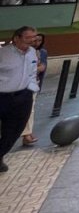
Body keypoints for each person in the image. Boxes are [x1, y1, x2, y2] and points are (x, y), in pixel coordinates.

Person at [0, 26, 40, 172]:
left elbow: (32, 72)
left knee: (13, 132)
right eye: (28, 37)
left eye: (34, 37)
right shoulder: (3, 53)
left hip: (22, 97)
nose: (32, 40)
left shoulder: (32, 53)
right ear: (16, 38)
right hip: (2, 96)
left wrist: (31, 88)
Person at [20, 33, 47, 147]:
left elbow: (42, 67)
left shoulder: (41, 52)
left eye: (39, 40)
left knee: (30, 110)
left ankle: (27, 134)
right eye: (34, 40)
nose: (36, 43)